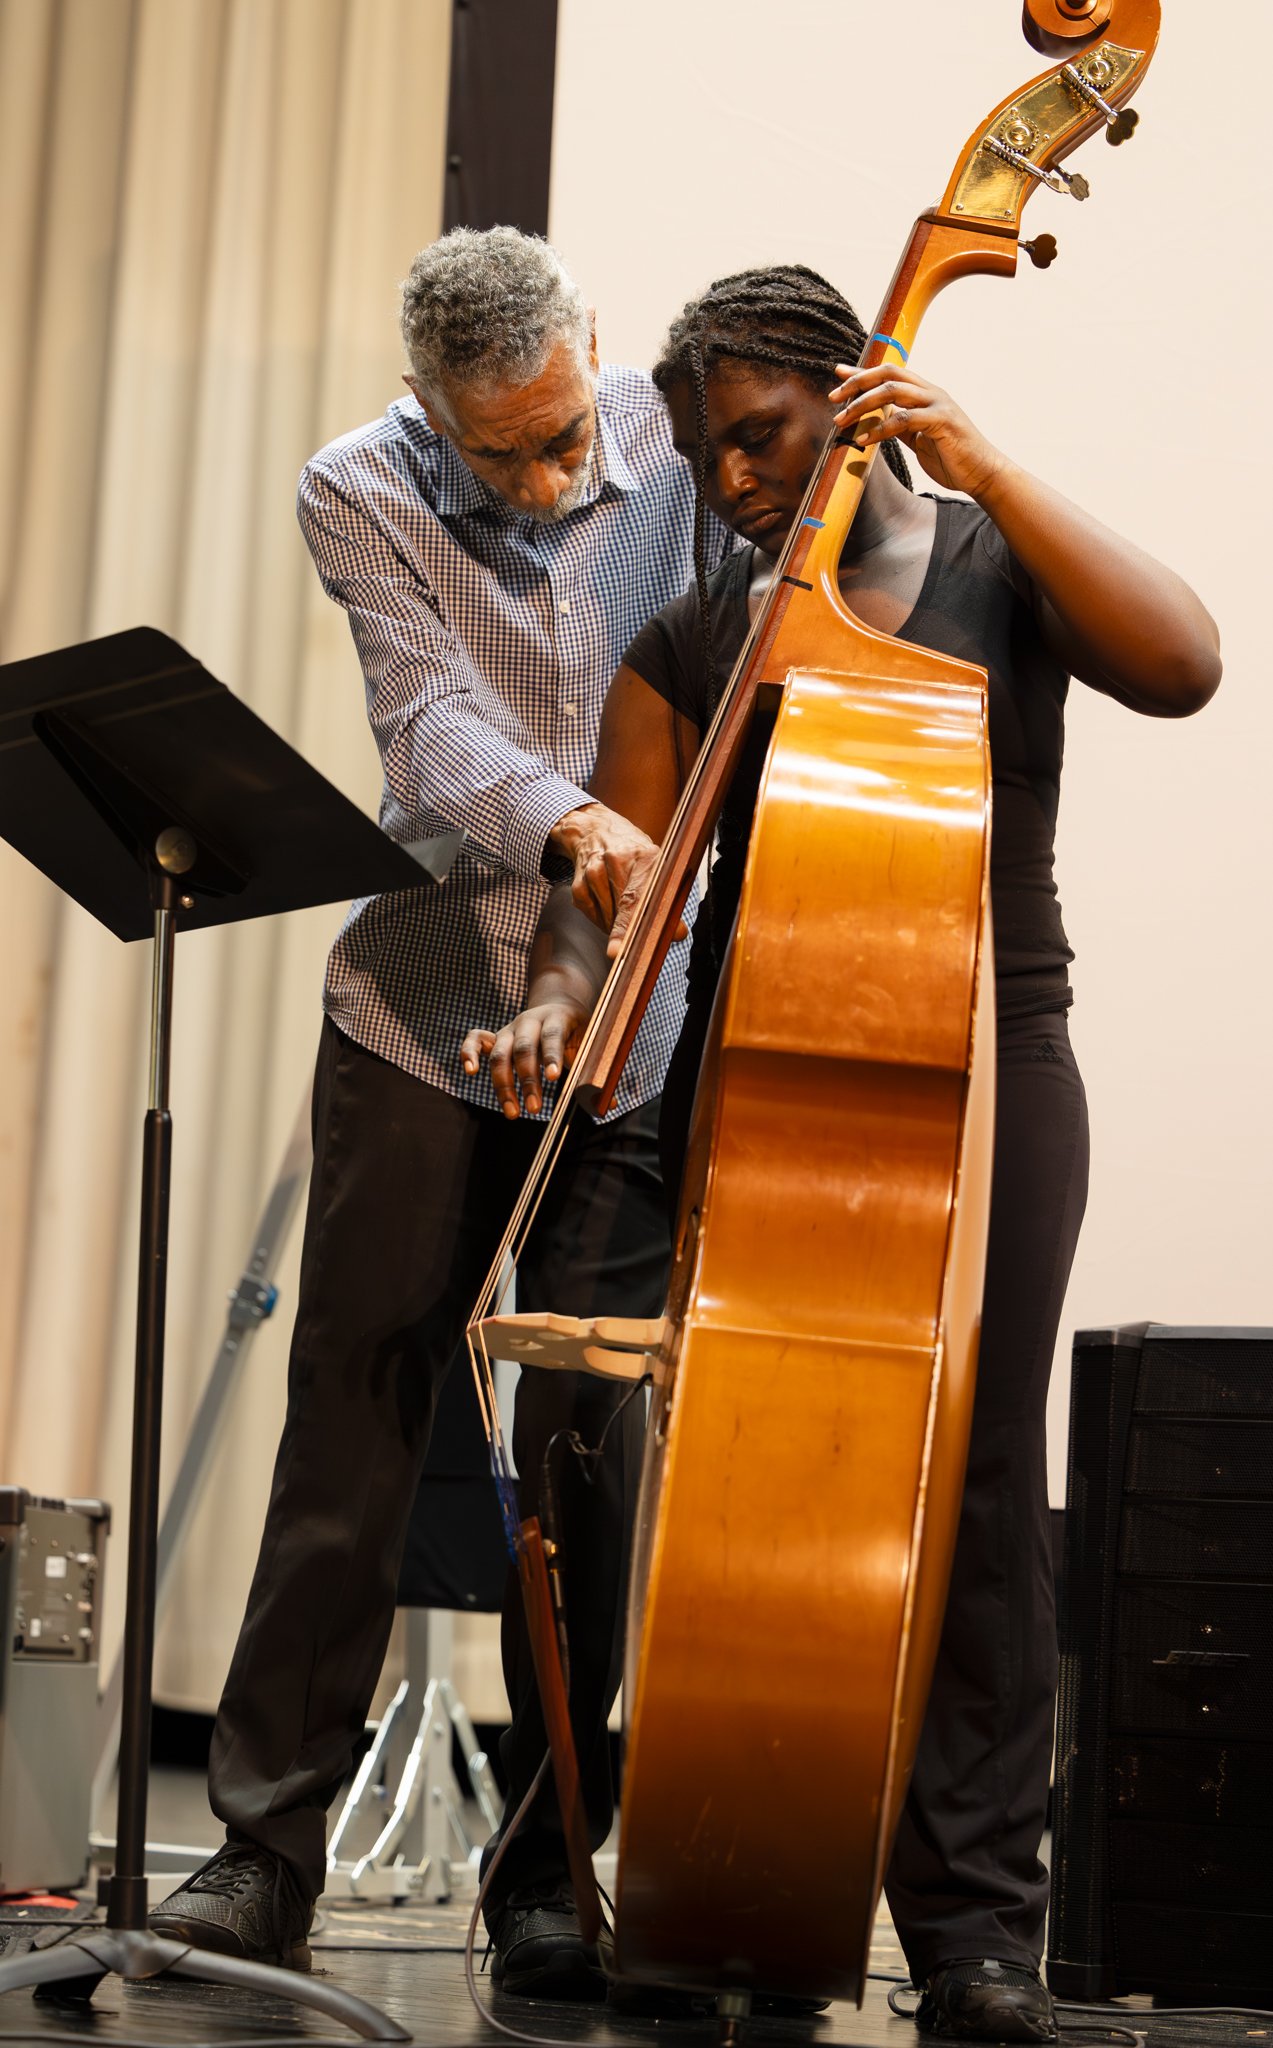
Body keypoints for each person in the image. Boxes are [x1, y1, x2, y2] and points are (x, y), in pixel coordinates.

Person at [464, 264, 1221, 2042]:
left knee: (978, 1474)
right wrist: (557, 1000)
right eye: (703, 458)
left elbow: (1183, 664)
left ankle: (973, 1934)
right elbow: (612, 877)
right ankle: (642, 1870)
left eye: (760, 438)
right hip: (754, 1069)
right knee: (653, 1453)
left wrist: (984, 459)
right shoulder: (700, 637)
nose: (731, 483)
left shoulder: (993, 564)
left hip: (989, 1053)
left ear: (852, 396)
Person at [149, 226, 733, 2001]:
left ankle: (550, 1875)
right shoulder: (360, 485)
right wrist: (571, 819)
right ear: (426, 406)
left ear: (588, 354)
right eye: (501, 454)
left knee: (587, 1449)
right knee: (353, 1422)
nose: (546, 479)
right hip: (422, 997)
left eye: (561, 438)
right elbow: (421, 728)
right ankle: (263, 1856)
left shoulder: (677, 438)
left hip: (631, 1022)